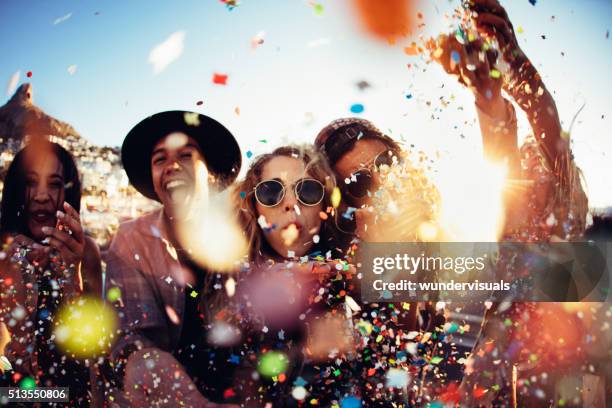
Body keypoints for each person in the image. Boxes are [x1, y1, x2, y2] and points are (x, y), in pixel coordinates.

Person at [430, 0, 590, 405]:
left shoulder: (568, 223)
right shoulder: (509, 229)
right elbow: (502, 146)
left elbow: (550, 136)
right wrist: (487, 94)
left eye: (545, 166)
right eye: (525, 162)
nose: (534, 169)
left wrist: (517, 67)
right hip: (495, 376)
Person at [103, 111, 242, 407]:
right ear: (154, 181)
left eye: (187, 155)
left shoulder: (247, 230)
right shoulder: (132, 239)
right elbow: (131, 337)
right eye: (159, 160)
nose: (172, 166)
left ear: (211, 172)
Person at [232, 145, 357, 406]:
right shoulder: (224, 279)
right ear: (255, 208)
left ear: (325, 206)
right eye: (271, 192)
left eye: (307, 190)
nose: (291, 204)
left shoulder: (349, 272)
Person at [0, 139, 102, 406]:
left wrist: (72, 275)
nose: (42, 195)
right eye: (30, 182)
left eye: (55, 184)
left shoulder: (86, 251)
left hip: (71, 394)